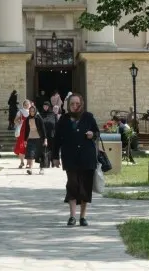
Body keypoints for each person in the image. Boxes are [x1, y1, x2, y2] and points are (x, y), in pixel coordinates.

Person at [53, 92, 99, 227]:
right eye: (72, 104)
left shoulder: (88, 117)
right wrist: (55, 156)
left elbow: (97, 132)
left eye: (77, 104)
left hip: (87, 157)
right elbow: (57, 139)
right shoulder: (64, 119)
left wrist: (93, 134)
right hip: (70, 158)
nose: (74, 106)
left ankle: (83, 217)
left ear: (81, 104)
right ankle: (72, 216)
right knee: (72, 185)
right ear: (68, 105)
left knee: (85, 187)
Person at [24, 103, 47, 175]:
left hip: (39, 138)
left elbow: (43, 129)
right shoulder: (28, 118)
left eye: (33, 111)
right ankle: (30, 169)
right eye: (30, 111)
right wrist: (25, 140)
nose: (32, 112)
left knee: (40, 154)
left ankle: (42, 168)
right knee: (30, 153)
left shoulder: (38, 117)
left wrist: (45, 139)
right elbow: (27, 129)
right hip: (30, 138)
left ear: (35, 111)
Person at [14, 99, 30, 169]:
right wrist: (19, 122)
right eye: (25, 105)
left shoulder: (32, 111)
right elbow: (15, 120)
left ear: (30, 105)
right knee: (21, 147)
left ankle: (28, 163)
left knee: (29, 147)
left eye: (27, 104)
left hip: (30, 132)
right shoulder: (20, 112)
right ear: (23, 105)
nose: (26, 106)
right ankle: (22, 162)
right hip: (22, 132)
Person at [41, 100, 59, 165]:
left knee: (53, 148)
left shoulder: (53, 114)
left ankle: (53, 162)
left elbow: (57, 124)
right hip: (44, 134)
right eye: (44, 106)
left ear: (49, 107)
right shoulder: (41, 114)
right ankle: (45, 162)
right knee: (45, 148)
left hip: (52, 134)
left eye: (46, 106)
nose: (45, 107)